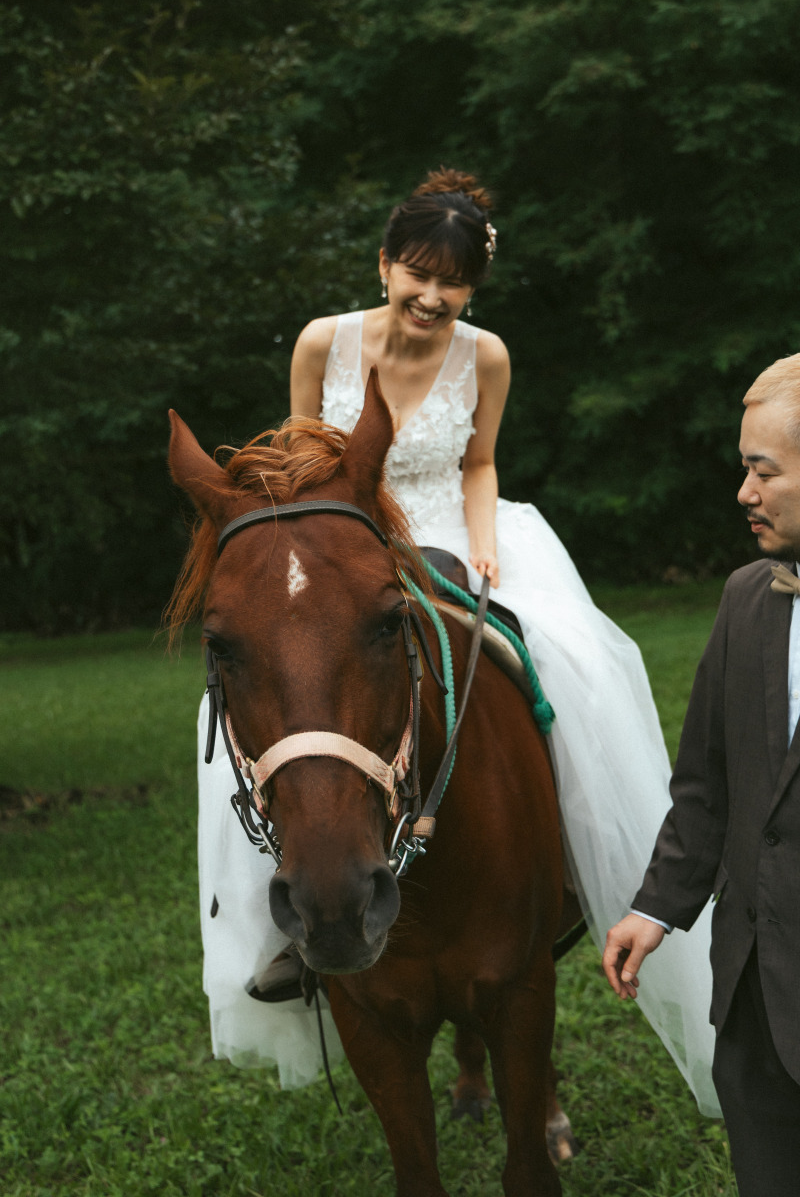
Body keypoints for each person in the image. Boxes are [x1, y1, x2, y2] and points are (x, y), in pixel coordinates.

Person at [197, 168, 718, 1112]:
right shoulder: (323, 341)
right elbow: (304, 456)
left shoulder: (487, 356)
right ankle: (285, 933)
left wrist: (484, 547)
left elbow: (479, 463)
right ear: (385, 262)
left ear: (474, 287)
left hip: (455, 527)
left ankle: (562, 869)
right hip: (347, 536)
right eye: (417, 273)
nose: (433, 297)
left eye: (455, 282)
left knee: (571, 664)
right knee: (269, 701)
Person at [602, 353, 800, 1195]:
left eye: (764, 470)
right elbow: (708, 787)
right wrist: (657, 904)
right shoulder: (745, 599)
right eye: (742, 469)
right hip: (758, 989)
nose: (743, 493)